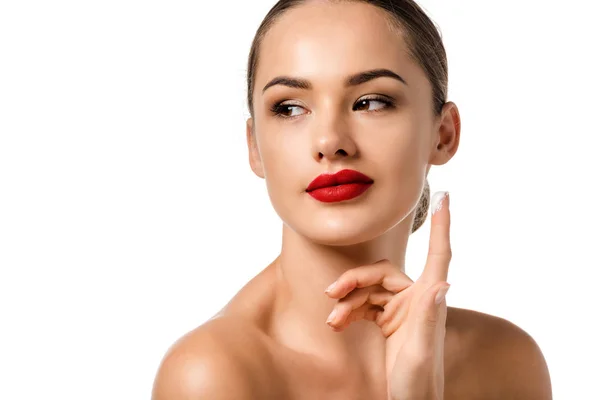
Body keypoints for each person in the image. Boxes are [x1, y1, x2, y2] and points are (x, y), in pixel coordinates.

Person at [151, 0, 552, 398]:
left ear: (443, 134)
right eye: (290, 108)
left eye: (371, 102)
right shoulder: (209, 375)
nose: (330, 142)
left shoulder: (505, 362)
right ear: (254, 146)